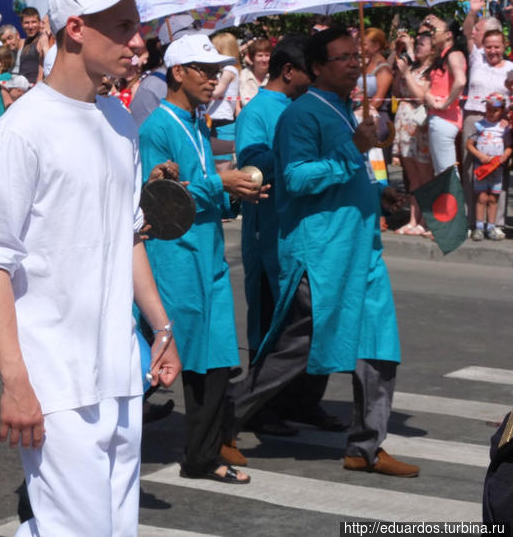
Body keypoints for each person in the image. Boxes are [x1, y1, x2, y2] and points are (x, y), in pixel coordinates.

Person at [0, 0, 181, 536]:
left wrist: (160, 327)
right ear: (77, 29)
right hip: (55, 382)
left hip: (119, 374)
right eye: (124, 25)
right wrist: (16, 380)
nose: (139, 41)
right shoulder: (22, 131)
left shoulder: (119, 120)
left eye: (138, 26)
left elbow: (127, 233)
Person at [228, 27, 420, 478]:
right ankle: (222, 419)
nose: (355, 64)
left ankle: (366, 446)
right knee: (297, 349)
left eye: (356, 56)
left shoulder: (344, 111)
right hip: (321, 254)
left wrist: (378, 193)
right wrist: (354, 149)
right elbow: (295, 179)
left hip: (361, 250)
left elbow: (346, 173)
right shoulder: (301, 115)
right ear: (316, 68)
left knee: (378, 347)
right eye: (343, 58)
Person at [140, 33, 260, 484]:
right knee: (168, 358)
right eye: (204, 71)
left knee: (213, 360)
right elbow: (157, 200)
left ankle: (203, 456)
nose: (214, 80)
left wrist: (239, 194)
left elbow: (205, 188)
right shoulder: (158, 127)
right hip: (173, 258)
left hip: (206, 254)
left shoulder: (195, 123)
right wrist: (221, 186)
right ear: (178, 73)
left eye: (215, 71)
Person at [235, 34, 345, 436]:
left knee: (314, 324)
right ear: (289, 71)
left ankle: (304, 401)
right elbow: (250, 167)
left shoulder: (307, 107)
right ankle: (260, 409)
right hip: (271, 237)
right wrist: (296, 155)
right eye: (311, 72)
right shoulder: (259, 111)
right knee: (271, 323)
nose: (316, 79)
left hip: (311, 237)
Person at [460, 6, 513, 231]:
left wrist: (508, 119)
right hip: (474, 117)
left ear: (504, 47)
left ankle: (496, 223)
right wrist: (472, 11)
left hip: (500, 124)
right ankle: (472, 220)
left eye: (497, 47)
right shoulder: (477, 58)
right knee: (471, 169)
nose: (492, 51)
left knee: (498, 169)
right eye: (489, 46)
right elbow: (467, 31)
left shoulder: (511, 67)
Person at [393, 31, 435, 236]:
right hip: (404, 122)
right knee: (413, 178)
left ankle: (426, 220)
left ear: (433, 49)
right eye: (416, 43)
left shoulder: (433, 70)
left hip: (420, 124)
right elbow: (397, 91)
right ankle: (413, 219)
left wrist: (407, 74)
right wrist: (400, 62)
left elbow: (421, 96)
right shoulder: (412, 67)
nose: (417, 47)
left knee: (425, 176)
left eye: (422, 44)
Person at [421, 15, 467, 174]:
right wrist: (428, 96)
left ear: (449, 34)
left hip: (445, 119)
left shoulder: (454, 54)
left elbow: (460, 81)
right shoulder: (442, 56)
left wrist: (445, 103)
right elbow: (430, 87)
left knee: (446, 173)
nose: (432, 33)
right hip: (439, 118)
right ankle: (449, 198)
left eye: (436, 30)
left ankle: (452, 199)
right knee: (442, 172)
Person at [465, 93, 512, 241]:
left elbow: (509, 145)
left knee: (493, 198)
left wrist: (505, 155)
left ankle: (491, 227)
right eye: (489, 109)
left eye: (496, 110)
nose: (491, 113)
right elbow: (469, 144)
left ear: (503, 110)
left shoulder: (504, 128)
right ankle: (479, 227)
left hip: (497, 169)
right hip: (482, 168)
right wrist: (479, 156)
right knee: (481, 197)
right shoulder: (480, 125)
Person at [208, 32, 242, 174]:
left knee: (222, 171)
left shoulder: (229, 69)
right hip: (217, 121)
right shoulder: (232, 70)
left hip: (222, 123)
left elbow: (217, 92)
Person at [353, 28, 393, 140]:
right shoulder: (364, 65)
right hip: (358, 114)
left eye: (363, 45)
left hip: (376, 118)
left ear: (376, 46)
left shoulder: (384, 70)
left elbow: (377, 101)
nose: (359, 48)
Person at [238, 38, 271, 106]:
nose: (264, 59)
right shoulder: (242, 75)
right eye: (260, 55)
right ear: (252, 57)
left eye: (267, 55)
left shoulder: (275, 77)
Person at [16, 6, 43, 84]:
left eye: (34, 22)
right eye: (27, 23)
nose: (30, 26)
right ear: (21, 24)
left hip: (35, 88)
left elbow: (44, 67)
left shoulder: (42, 40)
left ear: (39, 22)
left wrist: (38, 88)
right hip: (23, 88)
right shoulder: (25, 42)